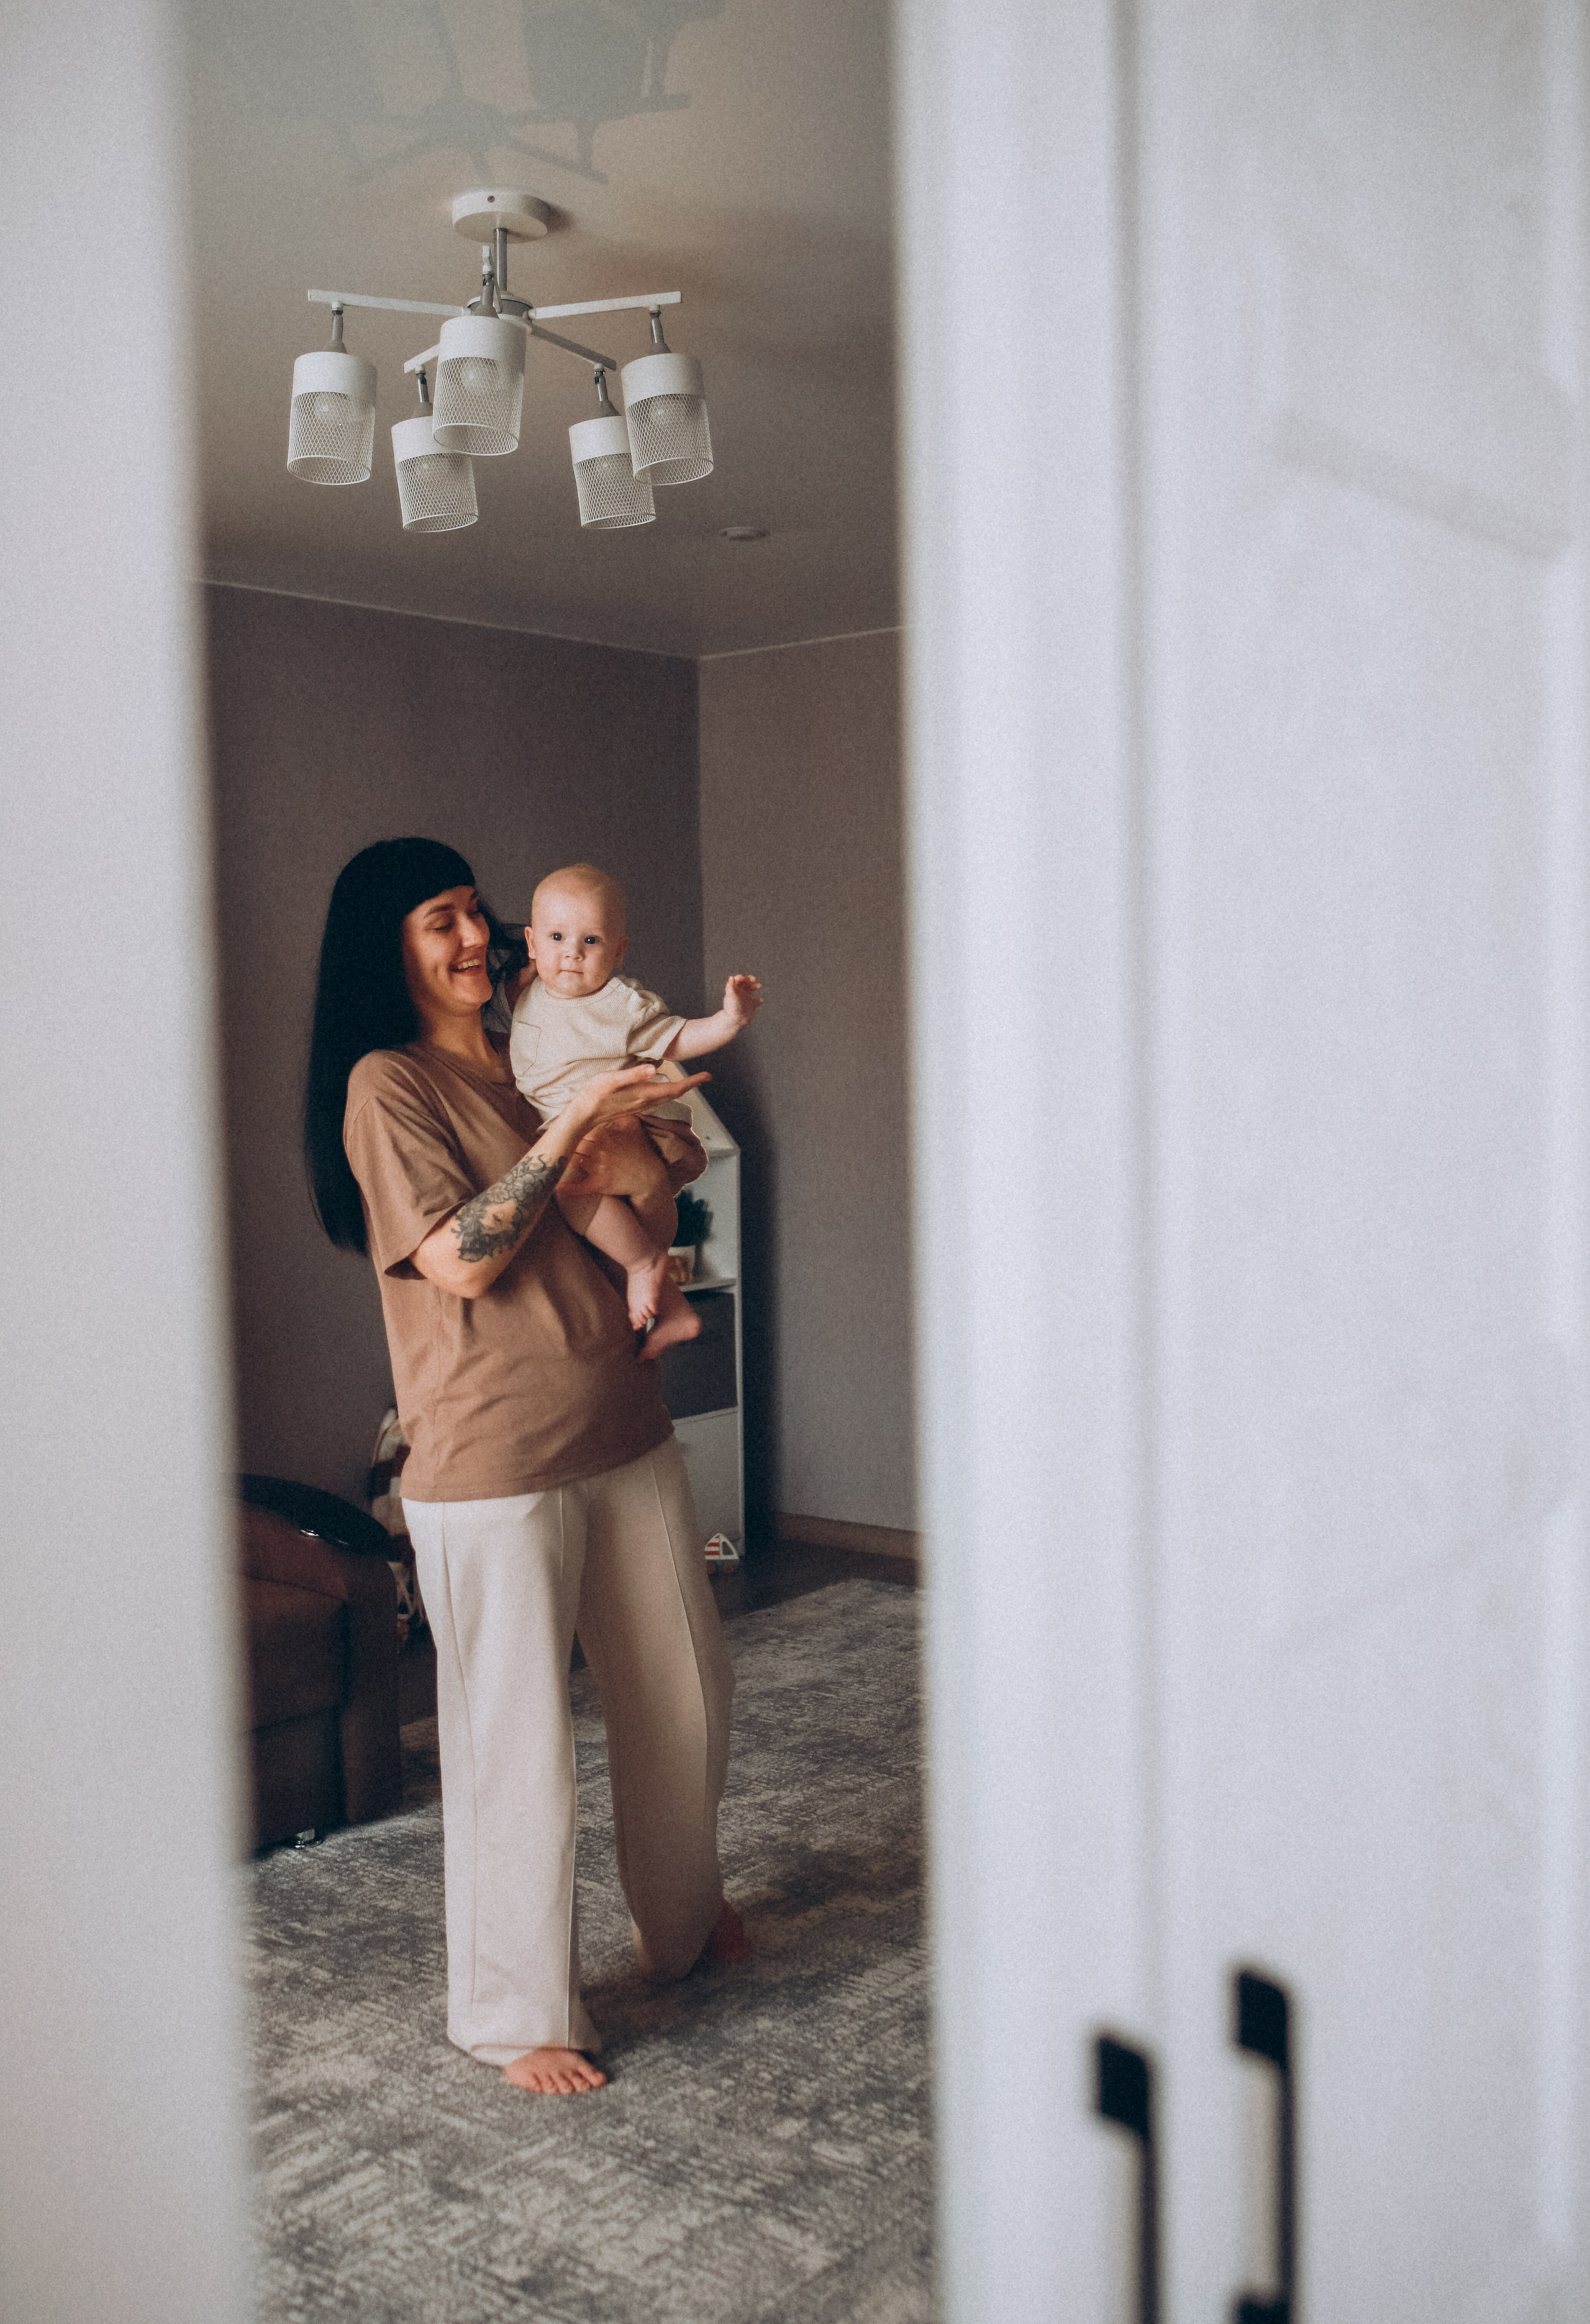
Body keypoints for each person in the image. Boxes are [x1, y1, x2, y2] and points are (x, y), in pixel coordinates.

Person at [304, 837, 748, 2098]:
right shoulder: (384, 1087)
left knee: (686, 1693)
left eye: (474, 915)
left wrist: (644, 1153)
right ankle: (513, 2015)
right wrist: (574, 1134)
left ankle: (679, 1919)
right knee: (513, 1743)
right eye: (437, 919)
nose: (470, 939)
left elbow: (656, 1208)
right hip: (492, 1456)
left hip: (626, 1419)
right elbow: (462, 1257)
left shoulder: (540, 1040)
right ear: (384, 947)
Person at [508, 863, 763, 1357]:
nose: (571, 954)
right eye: (557, 936)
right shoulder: (527, 991)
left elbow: (680, 1036)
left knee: (565, 1184)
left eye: (592, 941)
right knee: (573, 1199)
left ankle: (648, 1264)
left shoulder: (621, 1006)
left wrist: (729, 1019)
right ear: (532, 943)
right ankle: (673, 1308)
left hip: (611, 1124)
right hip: (567, 1125)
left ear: (619, 951)